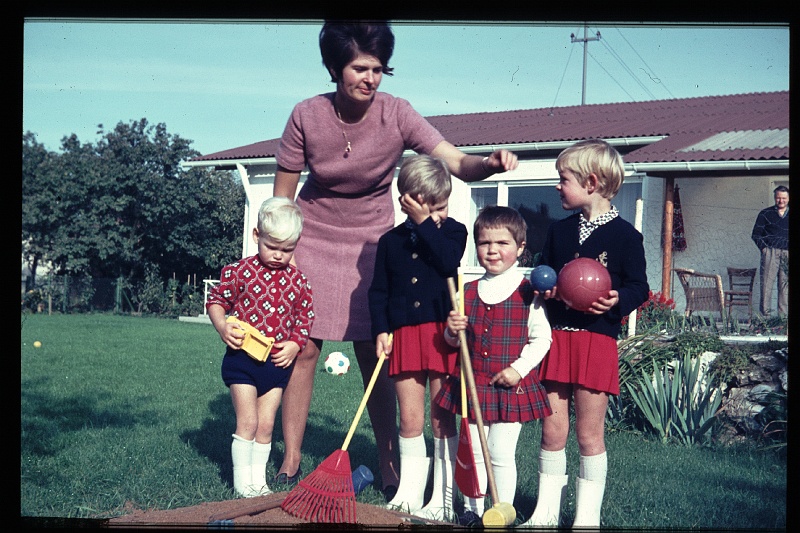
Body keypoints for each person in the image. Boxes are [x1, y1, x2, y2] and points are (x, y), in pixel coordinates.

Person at [271, 21, 518, 498]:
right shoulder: (306, 114)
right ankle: (291, 458)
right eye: (359, 68)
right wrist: (283, 256)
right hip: (313, 236)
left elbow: (455, 160)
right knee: (304, 349)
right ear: (334, 68)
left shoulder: (397, 113)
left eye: (378, 69)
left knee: (375, 351)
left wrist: (486, 165)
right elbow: (282, 200)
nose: (371, 78)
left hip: (374, 240)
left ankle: (389, 465)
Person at [524, 139, 649, 528]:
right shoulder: (559, 231)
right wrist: (544, 289)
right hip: (558, 340)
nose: (557, 186)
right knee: (552, 428)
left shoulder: (626, 236)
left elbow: (639, 287)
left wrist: (618, 299)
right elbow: (545, 272)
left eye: (563, 179)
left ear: (591, 183)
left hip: (596, 342)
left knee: (589, 434)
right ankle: (545, 514)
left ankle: (586, 519)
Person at [436, 206, 552, 526]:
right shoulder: (467, 290)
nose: (492, 250)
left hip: (510, 387)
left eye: (502, 243)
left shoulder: (529, 293)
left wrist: (518, 369)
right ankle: (472, 511)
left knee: (500, 452)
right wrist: (451, 330)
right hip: (474, 385)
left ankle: (501, 511)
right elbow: (452, 342)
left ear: (521, 247)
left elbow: (542, 339)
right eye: (485, 242)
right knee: (474, 452)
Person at [367, 155, 467, 520]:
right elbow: (379, 291)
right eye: (429, 207)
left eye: (442, 206)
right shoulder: (390, 241)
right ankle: (409, 492)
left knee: (442, 417)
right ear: (406, 201)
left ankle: (442, 496)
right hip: (404, 335)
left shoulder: (453, 232)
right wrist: (381, 329)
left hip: (441, 334)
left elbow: (447, 261)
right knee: (409, 418)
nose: (437, 214)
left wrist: (427, 222)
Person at [206, 197, 314, 498]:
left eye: (287, 249)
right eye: (272, 246)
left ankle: (259, 483)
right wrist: (222, 326)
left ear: (296, 244)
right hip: (242, 361)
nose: (278, 255)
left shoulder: (299, 282)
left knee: (266, 426)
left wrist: (295, 343)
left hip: (276, 365)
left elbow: (305, 317)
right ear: (257, 236)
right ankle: (243, 484)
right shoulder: (240, 271)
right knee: (249, 421)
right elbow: (216, 300)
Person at [751, 185, 789, 317]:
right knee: (766, 286)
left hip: (787, 254)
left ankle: (782, 318)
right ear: (774, 197)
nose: (781, 201)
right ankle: (765, 318)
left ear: (788, 198)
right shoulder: (765, 213)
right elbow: (756, 234)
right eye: (778, 198)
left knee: (785, 287)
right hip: (770, 253)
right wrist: (765, 250)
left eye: (784, 198)